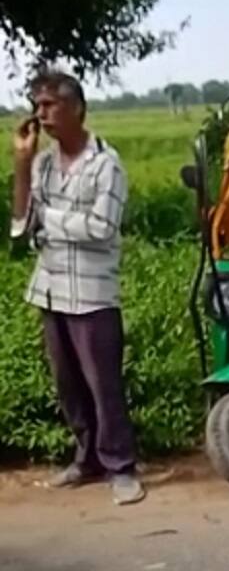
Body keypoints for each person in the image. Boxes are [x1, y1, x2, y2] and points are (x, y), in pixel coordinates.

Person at [10, 70, 145, 506]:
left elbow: (102, 228)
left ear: (77, 109)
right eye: (37, 104)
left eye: (49, 105)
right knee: (68, 384)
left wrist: (50, 220)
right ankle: (86, 459)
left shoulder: (107, 163)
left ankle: (121, 467)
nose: (40, 114)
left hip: (92, 293)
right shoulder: (44, 163)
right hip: (50, 289)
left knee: (103, 384)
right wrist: (22, 164)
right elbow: (19, 229)